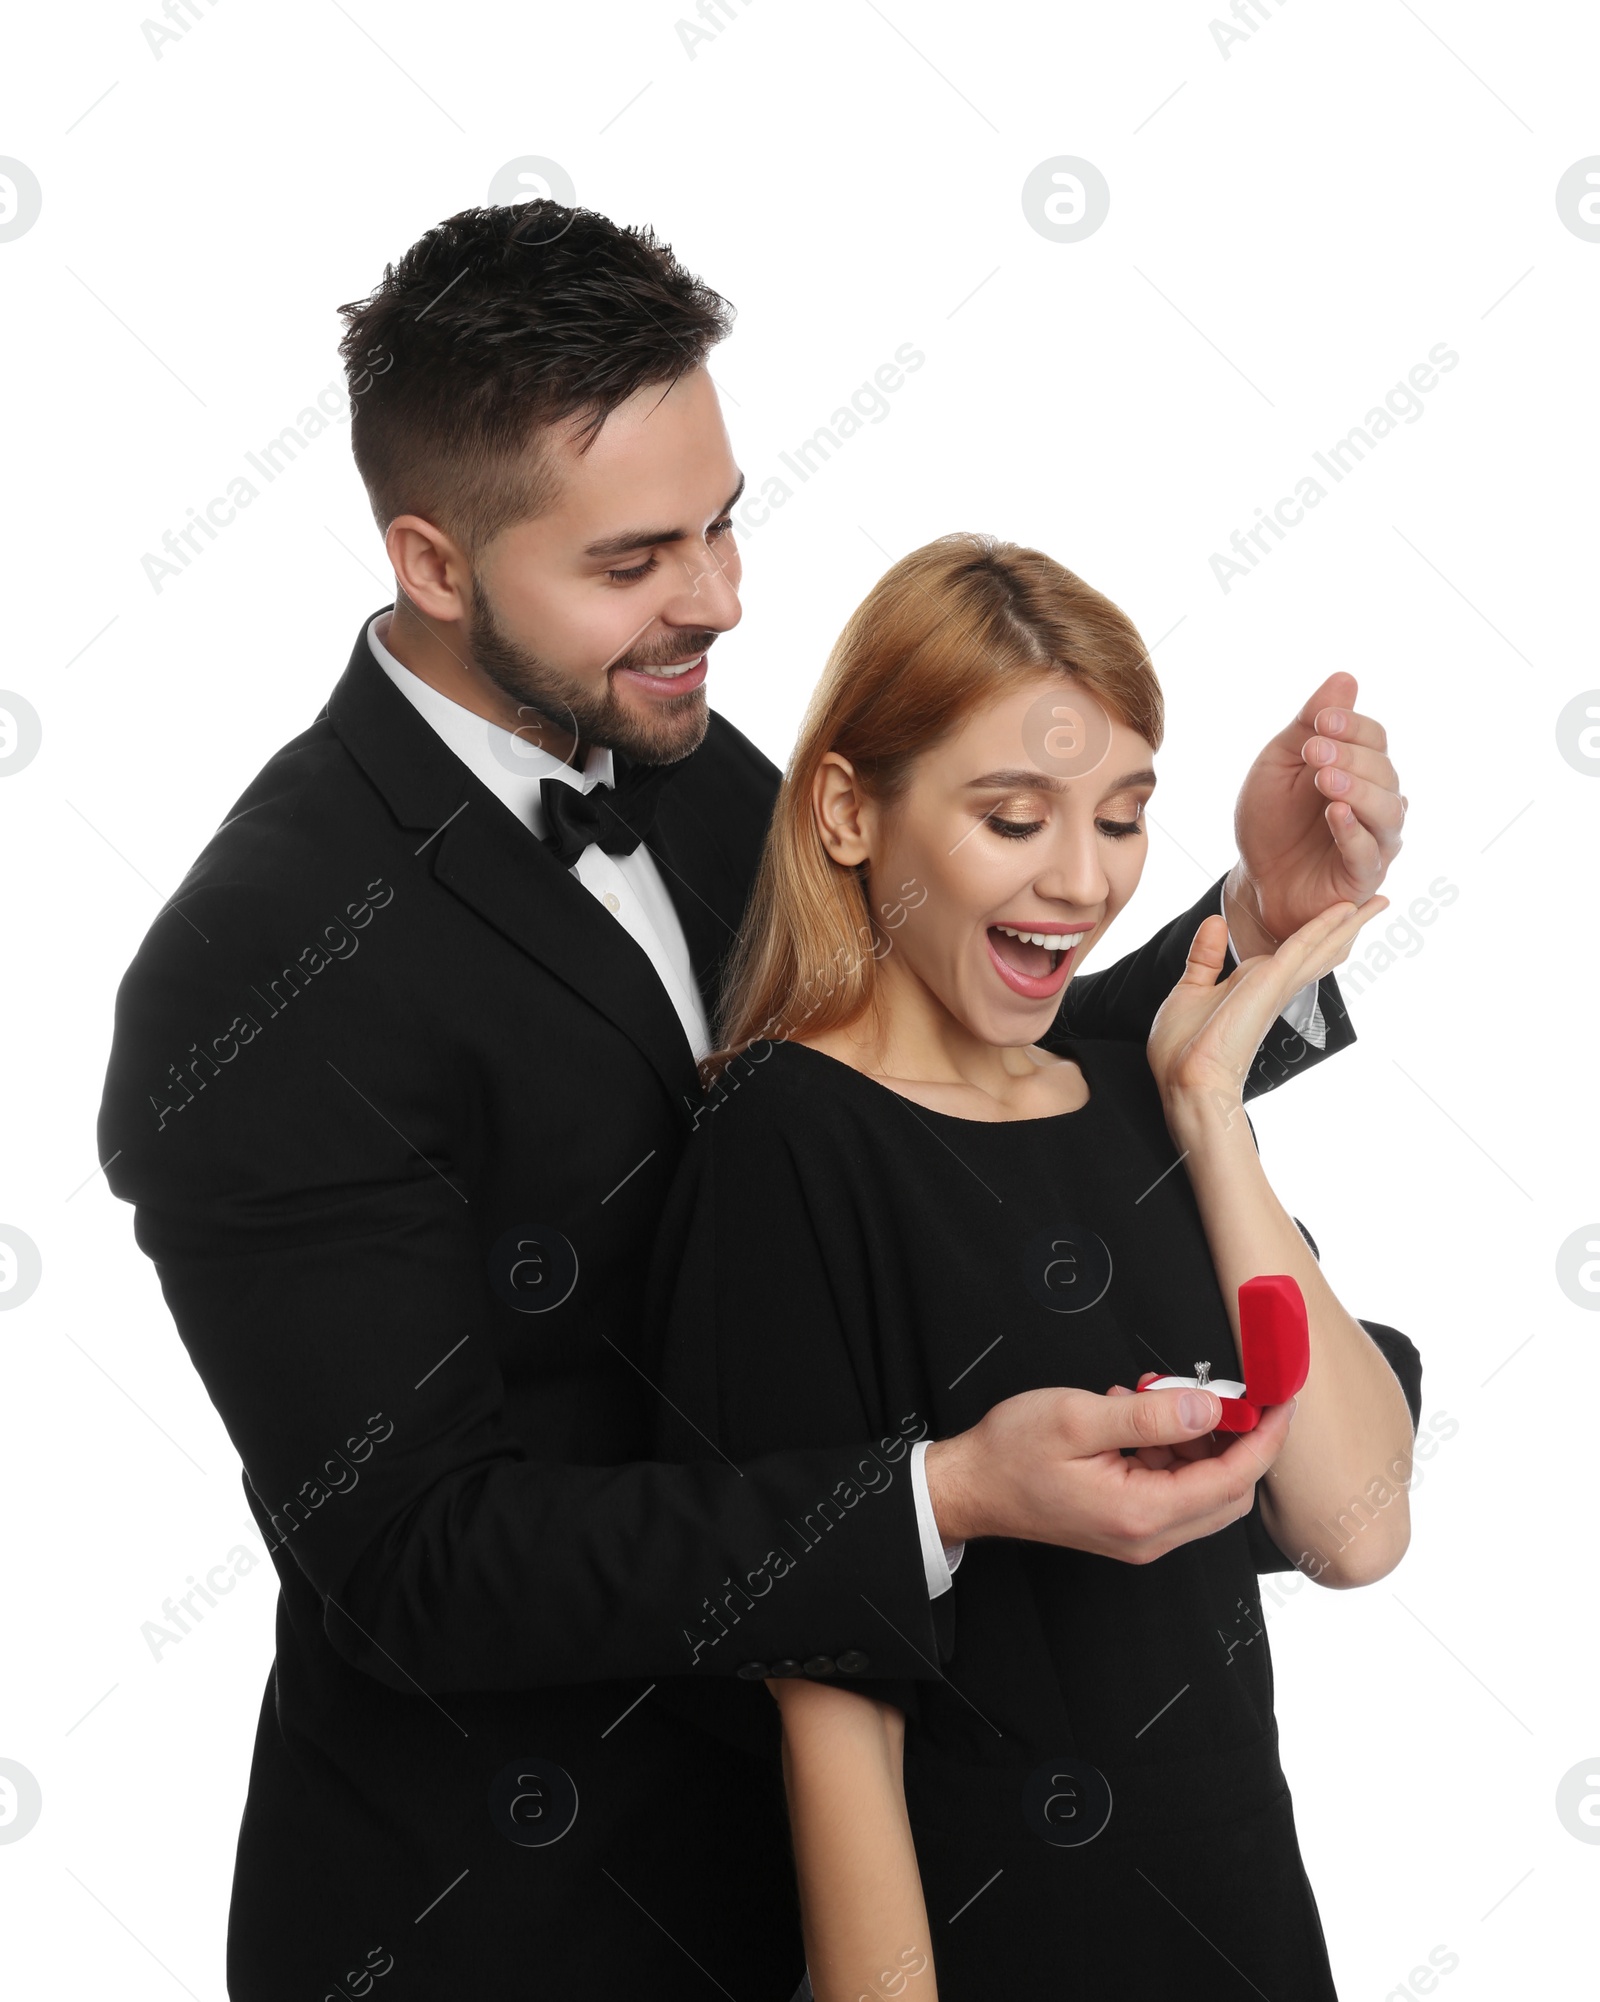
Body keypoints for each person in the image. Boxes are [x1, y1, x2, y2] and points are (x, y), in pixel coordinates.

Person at [95, 202, 1407, 1999]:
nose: (716, 600)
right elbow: (409, 1559)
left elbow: (935, 1084)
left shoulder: (688, 762)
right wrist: (939, 1498)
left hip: (855, 1858)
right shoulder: (253, 970)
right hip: (515, 1915)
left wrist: (1253, 935)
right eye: (638, 559)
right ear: (432, 558)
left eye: (722, 524)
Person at [648, 533, 1422, 2001]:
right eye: (1013, 819)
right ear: (847, 811)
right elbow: (830, 1697)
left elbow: (1358, 1526)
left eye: (1125, 818)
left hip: (1242, 1924)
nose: (1083, 882)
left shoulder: (1139, 1090)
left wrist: (1207, 1111)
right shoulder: (785, 1136)